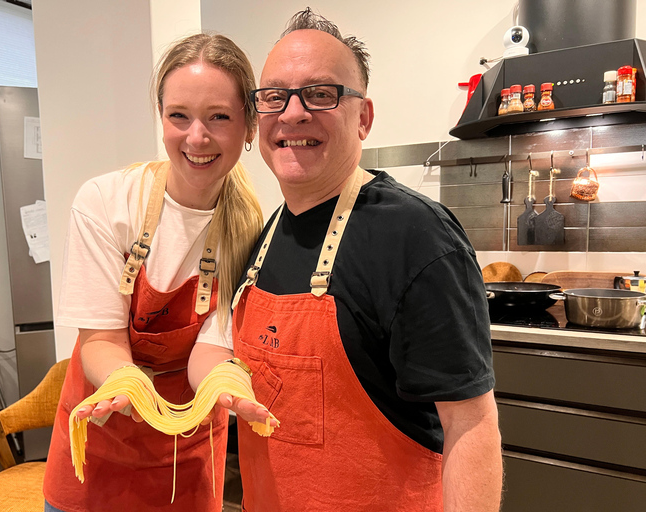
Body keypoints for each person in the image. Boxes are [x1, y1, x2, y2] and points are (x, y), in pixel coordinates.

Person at [231, 9, 502, 512]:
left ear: (364, 118)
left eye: (320, 94)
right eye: (274, 97)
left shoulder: (416, 237)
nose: (293, 114)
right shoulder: (265, 235)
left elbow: (471, 425)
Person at [42, 33, 272, 512]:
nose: (197, 137)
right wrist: (128, 386)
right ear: (161, 118)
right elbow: (101, 340)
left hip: (184, 458)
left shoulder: (252, 227)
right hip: (97, 446)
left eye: (219, 117)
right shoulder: (107, 202)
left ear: (250, 127)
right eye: (179, 116)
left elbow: (209, 348)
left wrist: (228, 385)